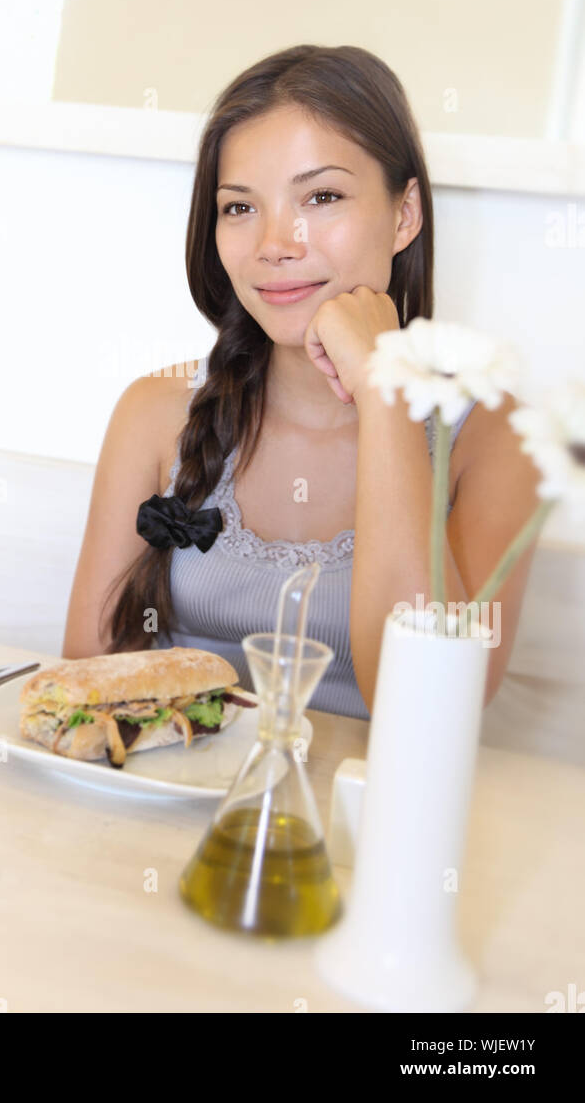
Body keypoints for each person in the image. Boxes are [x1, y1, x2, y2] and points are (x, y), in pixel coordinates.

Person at [62, 44, 541, 718]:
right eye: (239, 207)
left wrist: (385, 392)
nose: (275, 244)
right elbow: (87, 680)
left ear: (404, 215)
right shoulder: (154, 412)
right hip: (162, 808)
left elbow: (430, 708)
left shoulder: (493, 438)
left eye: (321, 196)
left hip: (365, 816)